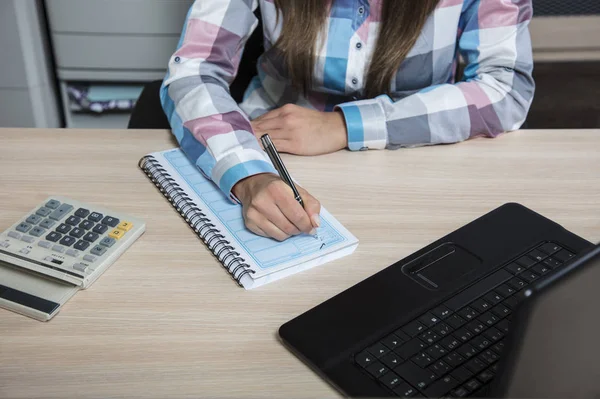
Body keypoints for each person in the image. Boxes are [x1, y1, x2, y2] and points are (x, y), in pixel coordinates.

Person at [161, 0, 535, 241]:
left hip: (419, 161)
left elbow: (506, 88)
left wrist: (344, 126)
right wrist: (249, 176)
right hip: (270, 154)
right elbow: (193, 71)